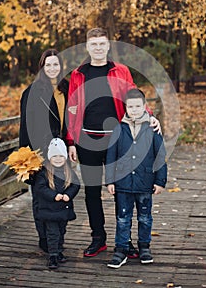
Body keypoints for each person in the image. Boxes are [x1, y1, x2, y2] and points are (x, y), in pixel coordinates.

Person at [67, 27, 161, 257]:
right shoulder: (78, 74)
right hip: (87, 141)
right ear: (87, 47)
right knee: (91, 192)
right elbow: (71, 109)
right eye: (94, 44)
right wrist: (70, 140)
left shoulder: (121, 71)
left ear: (108, 46)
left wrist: (149, 116)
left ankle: (124, 241)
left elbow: (134, 98)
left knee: (123, 191)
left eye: (102, 44)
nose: (98, 48)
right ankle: (98, 238)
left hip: (118, 140)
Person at [105, 88, 167, 269]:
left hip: (145, 182)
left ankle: (144, 247)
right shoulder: (118, 129)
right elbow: (110, 157)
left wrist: (160, 181)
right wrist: (110, 180)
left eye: (137, 106)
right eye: (130, 106)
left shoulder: (152, 128)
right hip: (123, 183)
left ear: (145, 106)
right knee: (122, 218)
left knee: (145, 217)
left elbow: (160, 157)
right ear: (125, 107)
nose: (134, 109)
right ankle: (121, 249)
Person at [19, 48, 69, 253]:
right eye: (48, 64)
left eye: (55, 64)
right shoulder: (32, 91)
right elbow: (25, 126)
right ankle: (45, 240)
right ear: (42, 67)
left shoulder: (65, 88)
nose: (52, 68)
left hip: (60, 152)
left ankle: (56, 238)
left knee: (60, 194)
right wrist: (26, 158)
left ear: (61, 66)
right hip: (39, 152)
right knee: (41, 197)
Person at [34, 137, 80, 269]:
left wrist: (68, 195)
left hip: (63, 209)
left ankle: (59, 250)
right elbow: (40, 188)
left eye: (61, 156)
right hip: (49, 209)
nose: (58, 159)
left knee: (61, 231)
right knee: (52, 232)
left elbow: (75, 185)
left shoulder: (68, 171)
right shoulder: (44, 173)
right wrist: (54, 196)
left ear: (65, 156)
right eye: (55, 156)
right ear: (49, 157)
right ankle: (53, 255)